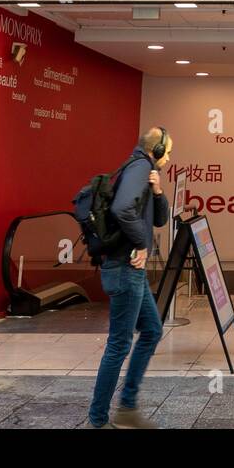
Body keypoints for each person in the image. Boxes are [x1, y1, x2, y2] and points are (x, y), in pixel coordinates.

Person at [86, 127, 173, 429]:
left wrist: (159, 191)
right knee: (119, 344)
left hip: (130, 270)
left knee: (151, 330)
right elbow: (123, 208)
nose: (169, 157)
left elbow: (160, 219)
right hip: (124, 269)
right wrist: (141, 244)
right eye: (168, 151)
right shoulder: (138, 168)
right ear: (157, 151)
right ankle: (98, 420)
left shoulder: (145, 172)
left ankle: (127, 407)